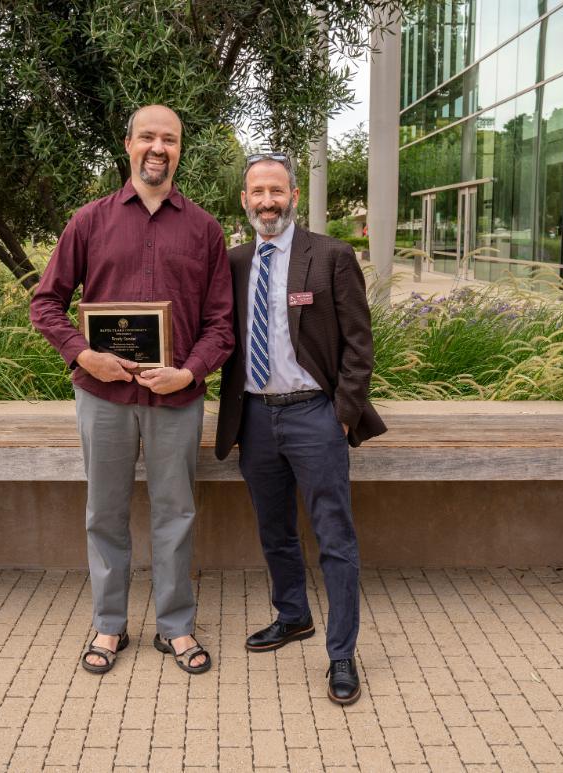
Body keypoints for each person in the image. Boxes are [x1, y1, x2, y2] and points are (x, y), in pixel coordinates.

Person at [30, 104, 233, 676]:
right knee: (105, 511)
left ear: (179, 150)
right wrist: (84, 354)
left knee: (176, 511)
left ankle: (175, 627)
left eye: (169, 139)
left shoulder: (204, 229)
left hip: (176, 397)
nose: (158, 148)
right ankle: (109, 624)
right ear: (128, 145)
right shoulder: (88, 222)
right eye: (148, 137)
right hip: (104, 397)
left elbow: (222, 324)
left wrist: (189, 373)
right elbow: (45, 304)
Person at [214, 152, 386, 705]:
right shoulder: (234, 261)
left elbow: (359, 344)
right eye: (257, 193)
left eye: (277, 192)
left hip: (315, 414)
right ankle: (293, 617)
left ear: (293, 197)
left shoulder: (330, 255)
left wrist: (341, 412)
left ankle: (341, 654)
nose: (268, 202)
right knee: (276, 531)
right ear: (244, 201)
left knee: (335, 538)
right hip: (256, 418)